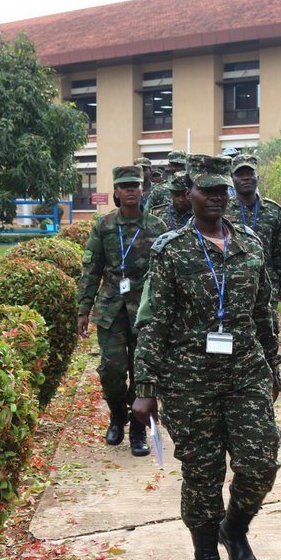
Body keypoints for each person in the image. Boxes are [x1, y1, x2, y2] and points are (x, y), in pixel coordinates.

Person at [132, 153, 281, 560]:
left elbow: (263, 312)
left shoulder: (251, 244)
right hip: (188, 380)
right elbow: (154, 321)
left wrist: (273, 366)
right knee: (202, 475)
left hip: (245, 374)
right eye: (207, 190)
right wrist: (145, 388)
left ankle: (233, 528)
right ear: (189, 194)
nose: (216, 197)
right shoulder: (172, 249)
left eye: (222, 190)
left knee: (260, 463)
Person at [78, 165, 168, 456]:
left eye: (135, 185)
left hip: (145, 310)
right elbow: (91, 270)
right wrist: (83, 309)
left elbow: (169, 273)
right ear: (116, 192)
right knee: (112, 370)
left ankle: (138, 430)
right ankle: (117, 415)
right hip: (110, 308)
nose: (130, 190)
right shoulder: (103, 226)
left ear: (142, 190)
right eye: (124, 186)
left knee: (142, 371)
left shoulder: (157, 227)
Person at [224, 154, 281, 336]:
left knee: (268, 337)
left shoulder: (273, 211)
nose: (246, 178)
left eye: (250, 173)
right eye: (240, 174)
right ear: (232, 179)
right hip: (231, 288)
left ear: (258, 177)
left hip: (267, 288)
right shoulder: (223, 211)